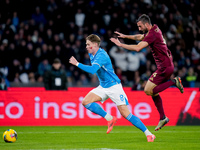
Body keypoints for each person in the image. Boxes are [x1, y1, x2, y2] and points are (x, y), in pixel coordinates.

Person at [69, 34, 156, 142]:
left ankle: (149, 134)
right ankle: (110, 118)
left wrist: (77, 63)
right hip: (103, 86)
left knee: (126, 114)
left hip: (114, 87)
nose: (86, 46)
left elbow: (92, 70)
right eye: (86, 44)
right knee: (86, 102)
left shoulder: (101, 55)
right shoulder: (91, 53)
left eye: (88, 44)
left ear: (95, 44)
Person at [110, 14, 184, 131]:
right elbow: (140, 37)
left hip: (164, 67)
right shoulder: (155, 29)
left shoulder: (152, 34)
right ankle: (163, 117)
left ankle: (174, 82)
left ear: (146, 24)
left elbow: (138, 48)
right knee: (152, 92)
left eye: (140, 26)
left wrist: (121, 44)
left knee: (147, 90)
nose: (139, 28)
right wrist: (125, 36)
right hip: (167, 65)